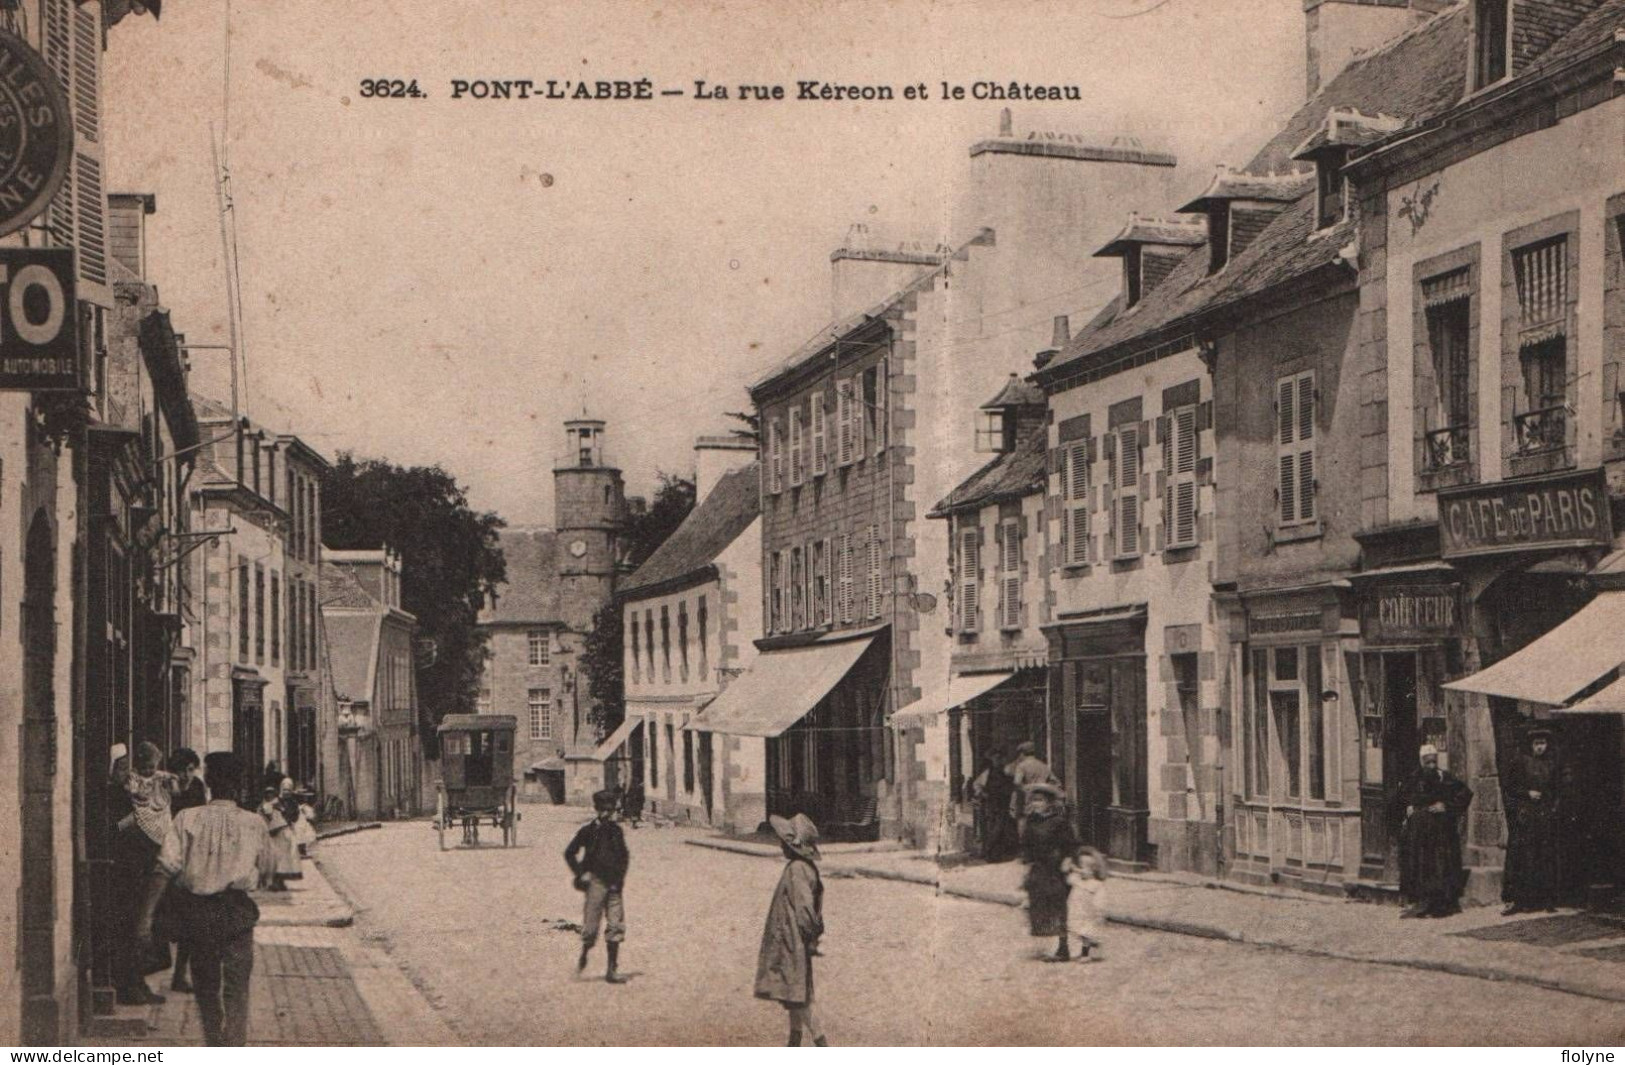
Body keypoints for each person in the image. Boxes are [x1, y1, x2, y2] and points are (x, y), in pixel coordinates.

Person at [136, 752, 275, 1047]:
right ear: (239, 785)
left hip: (198, 914)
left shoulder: (187, 818)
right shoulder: (255, 824)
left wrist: (147, 916)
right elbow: (267, 872)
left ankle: (215, 1044)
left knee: (206, 987)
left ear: (209, 782)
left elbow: (165, 867)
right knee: (237, 988)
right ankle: (234, 1047)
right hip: (238, 913)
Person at [755, 812, 827, 1047]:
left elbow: (805, 909)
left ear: (794, 847)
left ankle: (822, 1044)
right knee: (793, 992)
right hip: (791, 940)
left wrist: (809, 938)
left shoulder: (798, 869)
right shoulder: (801, 867)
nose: (781, 846)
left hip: (793, 941)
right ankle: (793, 1042)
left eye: (785, 843)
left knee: (801, 997)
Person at [1397, 744, 1474, 918]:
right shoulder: (1414, 778)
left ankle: (1441, 905)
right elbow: (1401, 796)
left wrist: (1445, 806)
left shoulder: (1444, 777)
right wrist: (1408, 806)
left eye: (1433, 761)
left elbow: (1465, 794)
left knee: (1439, 866)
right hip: (1419, 833)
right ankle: (1422, 903)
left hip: (1440, 831)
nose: (1431, 765)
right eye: (1427, 762)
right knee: (1421, 866)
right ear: (1421, 762)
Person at [564, 789, 631, 983]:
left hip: (615, 886)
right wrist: (580, 873)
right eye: (602, 810)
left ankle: (612, 970)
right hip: (595, 883)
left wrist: (619, 879)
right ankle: (584, 955)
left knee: (616, 925)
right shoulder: (587, 831)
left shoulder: (616, 831)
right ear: (596, 809)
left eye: (609, 811)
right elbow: (570, 853)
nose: (606, 814)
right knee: (591, 927)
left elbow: (624, 857)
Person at [1503, 729, 1562, 915]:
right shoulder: (1521, 762)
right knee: (1523, 857)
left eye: (1543, 743)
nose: (1540, 747)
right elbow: (1509, 787)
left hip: (1544, 815)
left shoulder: (1551, 764)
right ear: (1531, 745)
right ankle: (1520, 900)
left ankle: (1546, 899)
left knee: (1544, 856)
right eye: (1537, 743)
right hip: (1525, 815)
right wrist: (1526, 794)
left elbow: (1557, 790)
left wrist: (1552, 807)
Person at [164, 749, 207, 994]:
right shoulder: (166, 787)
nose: (189, 774)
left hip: (189, 859)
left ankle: (180, 975)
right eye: (186, 770)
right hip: (167, 857)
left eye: (192, 769)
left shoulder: (197, 787)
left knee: (189, 922)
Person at [1020, 782, 1077, 960]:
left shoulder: (1059, 822)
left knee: (1058, 905)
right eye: (1034, 800)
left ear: (1050, 803)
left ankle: (1063, 947)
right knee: (1039, 906)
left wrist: (1068, 860)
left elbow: (1071, 845)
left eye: (1040, 800)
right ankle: (1052, 944)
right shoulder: (1032, 820)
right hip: (1039, 868)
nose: (1036, 804)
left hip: (1055, 868)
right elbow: (1026, 843)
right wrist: (1027, 862)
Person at [1062, 846, 1108, 962]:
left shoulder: (1095, 884)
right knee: (1076, 930)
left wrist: (1099, 911)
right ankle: (1077, 951)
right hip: (1076, 911)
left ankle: (1085, 954)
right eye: (1081, 866)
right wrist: (1069, 867)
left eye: (1087, 868)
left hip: (1088, 913)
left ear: (1094, 870)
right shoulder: (1077, 879)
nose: (1082, 870)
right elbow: (1068, 878)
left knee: (1087, 933)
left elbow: (1100, 900)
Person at [1009, 741, 1058, 838]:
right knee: (1039, 825)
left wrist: (1026, 790)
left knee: (1023, 824)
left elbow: (1017, 782)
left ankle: (1024, 845)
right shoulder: (1044, 766)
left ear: (1022, 753)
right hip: (1041, 800)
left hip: (1026, 801)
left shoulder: (1022, 766)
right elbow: (1054, 782)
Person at [257, 787, 298, 891]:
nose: (270, 796)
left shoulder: (278, 805)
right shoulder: (264, 806)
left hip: (282, 833)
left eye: (272, 794)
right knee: (273, 860)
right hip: (272, 834)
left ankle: (280, 882)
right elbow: (266, 819)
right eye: (268, 794)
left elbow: (288, 816)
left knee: (283, 859)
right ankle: (273, 882)